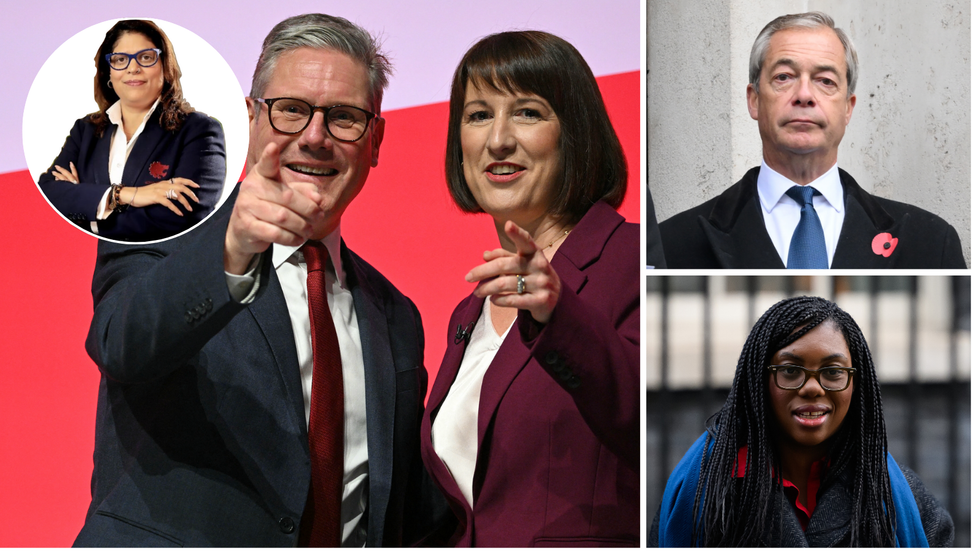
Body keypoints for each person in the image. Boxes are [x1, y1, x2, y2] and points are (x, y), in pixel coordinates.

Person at [75, 14, 446, 546]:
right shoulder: (154, 226)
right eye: (291, 110)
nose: (314, 138)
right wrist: (231, 251)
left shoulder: (395, 315)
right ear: (251, 118)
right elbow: (121, 343)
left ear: (375, 140)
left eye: (344, 117)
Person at [420, 31, 640, 547]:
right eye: (478, 115)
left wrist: (559, 314)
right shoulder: (468, 313)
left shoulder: (633, 258)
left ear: (575, 134)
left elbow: (650, 418)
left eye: (527, 112)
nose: (498, 139)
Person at [659, 12, 966, 268]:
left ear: (847, 108)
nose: (804, 95)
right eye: (784, 77)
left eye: (825, 81)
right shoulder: (672, 244)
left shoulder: (930, 244)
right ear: (754, 100)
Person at [650, 296, 954, 547]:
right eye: (790, 371)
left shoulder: (898, 495)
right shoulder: (705, 488)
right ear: (759, 381)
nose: (812, 387)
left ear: (855, 384)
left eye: (833, 372)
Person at [37, 19, 225, 242]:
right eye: (120, 59)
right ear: (108, 72)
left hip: (166, 261)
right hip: (95, 262)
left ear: (165, 67)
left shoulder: (199, 130)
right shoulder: (85, 131)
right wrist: (124, 195)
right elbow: (47, 195)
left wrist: (89, 211)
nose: (133, 68)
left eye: (146, 57)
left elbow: (181, 216)